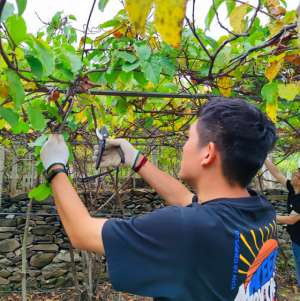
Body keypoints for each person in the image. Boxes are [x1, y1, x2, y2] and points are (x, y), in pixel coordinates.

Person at [40, 98, 278, 301]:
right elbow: (186, 198)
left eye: (188, 139)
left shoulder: (185, 228)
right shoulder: (261, 211)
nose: (183, 147)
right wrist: (136, 160)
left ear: (208, 153)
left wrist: (55, 166)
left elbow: (82, 232)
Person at [264, 158, 300, 287]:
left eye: (296, 175)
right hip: (296, 239)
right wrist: (265, 158)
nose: (293, 175)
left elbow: (291, 219)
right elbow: (277, 173)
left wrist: (267, 216)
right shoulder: (292, 188)